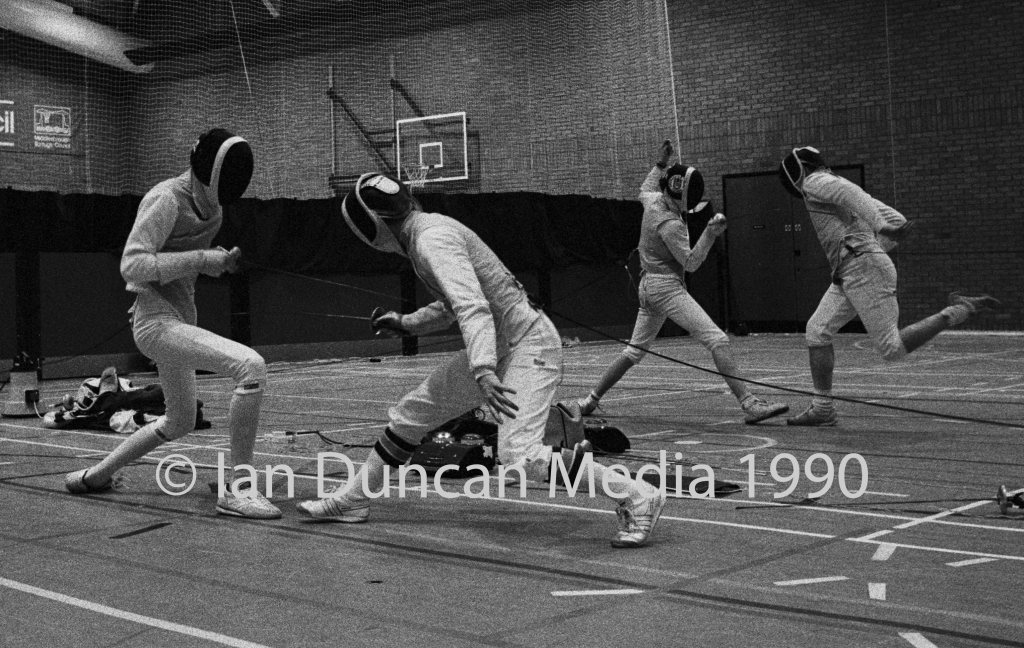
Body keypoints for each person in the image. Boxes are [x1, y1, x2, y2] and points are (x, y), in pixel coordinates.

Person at [297, 173, 666, 548]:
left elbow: (472, 308)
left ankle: (637, 494)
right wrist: (408, 323)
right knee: (411, 415)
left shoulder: (430, 240)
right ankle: (355, 500)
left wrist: (483, 370)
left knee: (519, 456)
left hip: (527, 346)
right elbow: (451, 305)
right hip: (503, 345)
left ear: (370, 224)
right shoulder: (427, 233)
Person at [64, 128, 281, 519]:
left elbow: (180, 260)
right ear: (208, 172)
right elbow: (132, 264)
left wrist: (218, 262)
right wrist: (202, 259)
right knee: (251, 367)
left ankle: (95, 476)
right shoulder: (165, 199)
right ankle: (238, 489)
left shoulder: (212, 209)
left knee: (179, 419)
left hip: (180, 319)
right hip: (154, 323)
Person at [778, 146, 999, 426]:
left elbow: (858, 198)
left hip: (862, 269)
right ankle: (822, 408)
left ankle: (957, 311)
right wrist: (872, 247)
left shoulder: (815, 181)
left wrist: (877, 233)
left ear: (800, 168)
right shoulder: (829, 187)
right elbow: (899, 221)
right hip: (854, 269)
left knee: (891, 348)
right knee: (817, 330)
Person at [577, 141, 789, 424]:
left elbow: (644, 188)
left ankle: (590, 400)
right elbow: (691, 263)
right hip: (665, 288)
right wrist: (711, 233)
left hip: (648, 287)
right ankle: (749, 404)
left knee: (633, 351)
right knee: (717, 339)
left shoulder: (653, 200)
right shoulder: (671, 224)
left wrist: (661, 163)